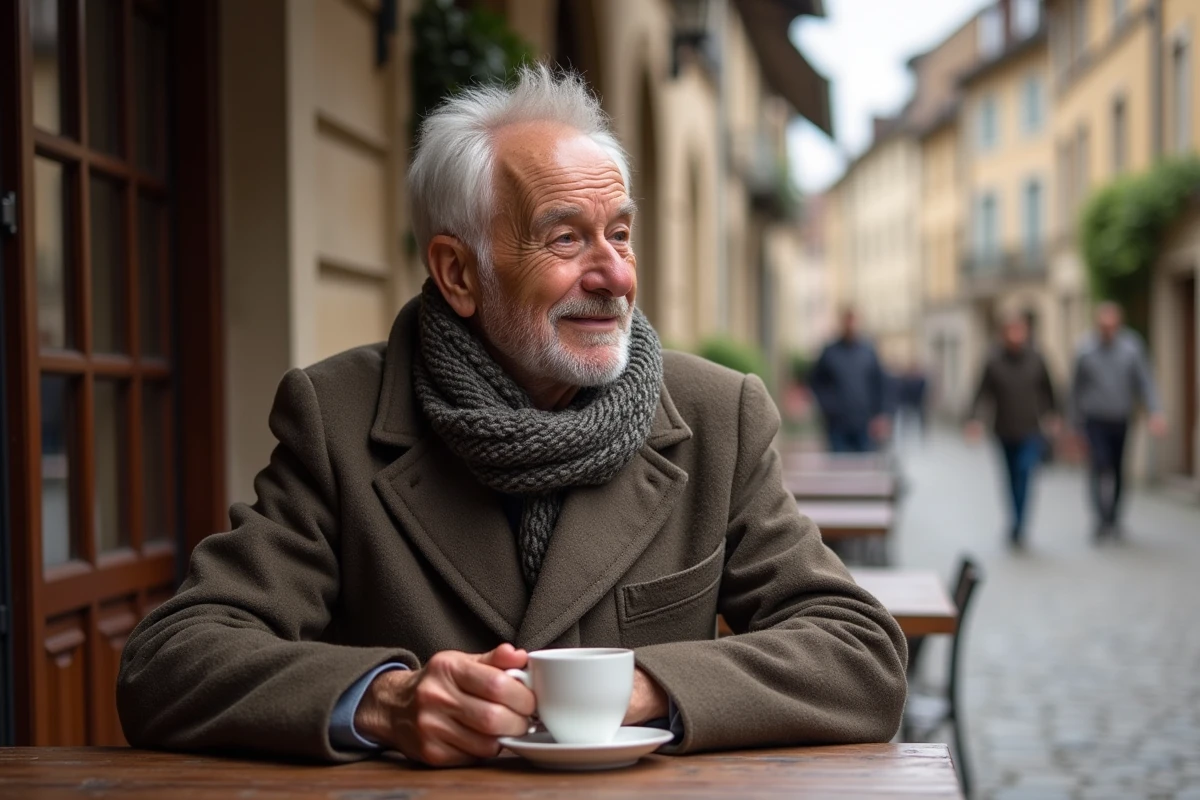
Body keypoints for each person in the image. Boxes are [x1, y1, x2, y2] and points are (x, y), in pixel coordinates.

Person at [117, 67, 907, 766]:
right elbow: (168, 662)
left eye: (621, 235)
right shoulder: (339, 417)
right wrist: (385, 702)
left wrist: (644, 687)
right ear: (458, 272)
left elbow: (861, 656)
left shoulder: (717, 415)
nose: (613, 276)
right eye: (566, 238)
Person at [1070, 302, 1167, 541]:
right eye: (1104, 326)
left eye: (1112, 326)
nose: (1108, 331)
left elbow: (1145, 381)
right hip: (1094, 419)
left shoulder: (1132, 347)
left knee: (1118, 470)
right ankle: (1100, 519)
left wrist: (1155, 411)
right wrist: (1073, 423)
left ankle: (1114, 518)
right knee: (1099, 466)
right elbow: (1075, 390)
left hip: (1121, 418)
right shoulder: (1085, 349)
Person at [965, 314, 1059, 548]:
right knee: (1010, 478)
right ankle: (1014, 521)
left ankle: (1020, 524)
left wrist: (1054, 414)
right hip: (1004, 430)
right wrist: (974, 419)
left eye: (1020, 331)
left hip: (1030, 430)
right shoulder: (993, 360)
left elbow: (1050, 390)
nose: (1017, 336)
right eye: (1012, 331)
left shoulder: (1037, 358)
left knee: (1025, 473)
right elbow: (981, 392)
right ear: (1004, 334)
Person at [808, 309, 893, 453]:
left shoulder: (868, 352)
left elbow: (879, 384)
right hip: (836, 425)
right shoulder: (830, 352)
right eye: (848, 321)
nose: (851, 326)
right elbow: (815, 382)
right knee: (838, 466)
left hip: (864, 423)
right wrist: (828, 407)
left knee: (864, 467)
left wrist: (880, 414)